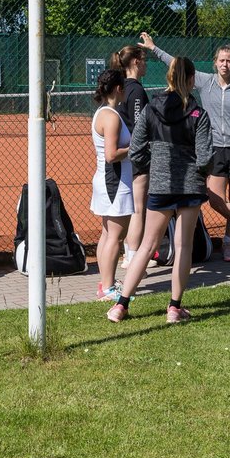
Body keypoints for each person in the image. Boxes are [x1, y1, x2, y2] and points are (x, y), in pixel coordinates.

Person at [139, 32, 230, 261]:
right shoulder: (204, 80)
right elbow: (177, 65)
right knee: (215, 198)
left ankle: (228, 245)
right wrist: (153, 48)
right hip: (214, 148)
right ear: (215, 62)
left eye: (229, 60)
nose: (225, 64)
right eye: (221, 60)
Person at [108, 56, 213, 324]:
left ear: (168, 77)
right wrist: (198, 174)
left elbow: (136, 149)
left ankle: (121, 305)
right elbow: (205, 157)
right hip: (189, 186)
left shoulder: (151, 110)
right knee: (183, 245)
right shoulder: (198, 114)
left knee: (146, 245)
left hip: (161, 184)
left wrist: (151, 167)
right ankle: (174, 308)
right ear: (191, 80)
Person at [89, 69, 133, 302]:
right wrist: (136, 148)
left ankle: (105, 283)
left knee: (108, 234)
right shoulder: (111, 116)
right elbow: (111, 155)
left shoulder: (104, 113)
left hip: (109, 181)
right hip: (114, 181)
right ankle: (107, 288)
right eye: (124, 86)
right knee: (115, 236)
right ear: (118, 89)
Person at [110, 44, 150, 268]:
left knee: (129, 206)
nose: (145, 64)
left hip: (125, 156)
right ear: (136, 62)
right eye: (144, 60)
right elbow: (137, 126)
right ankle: (132, 257)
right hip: (136, 157)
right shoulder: (135, 90)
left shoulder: (120, 88)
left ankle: (129, 253)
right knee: (137, 207)